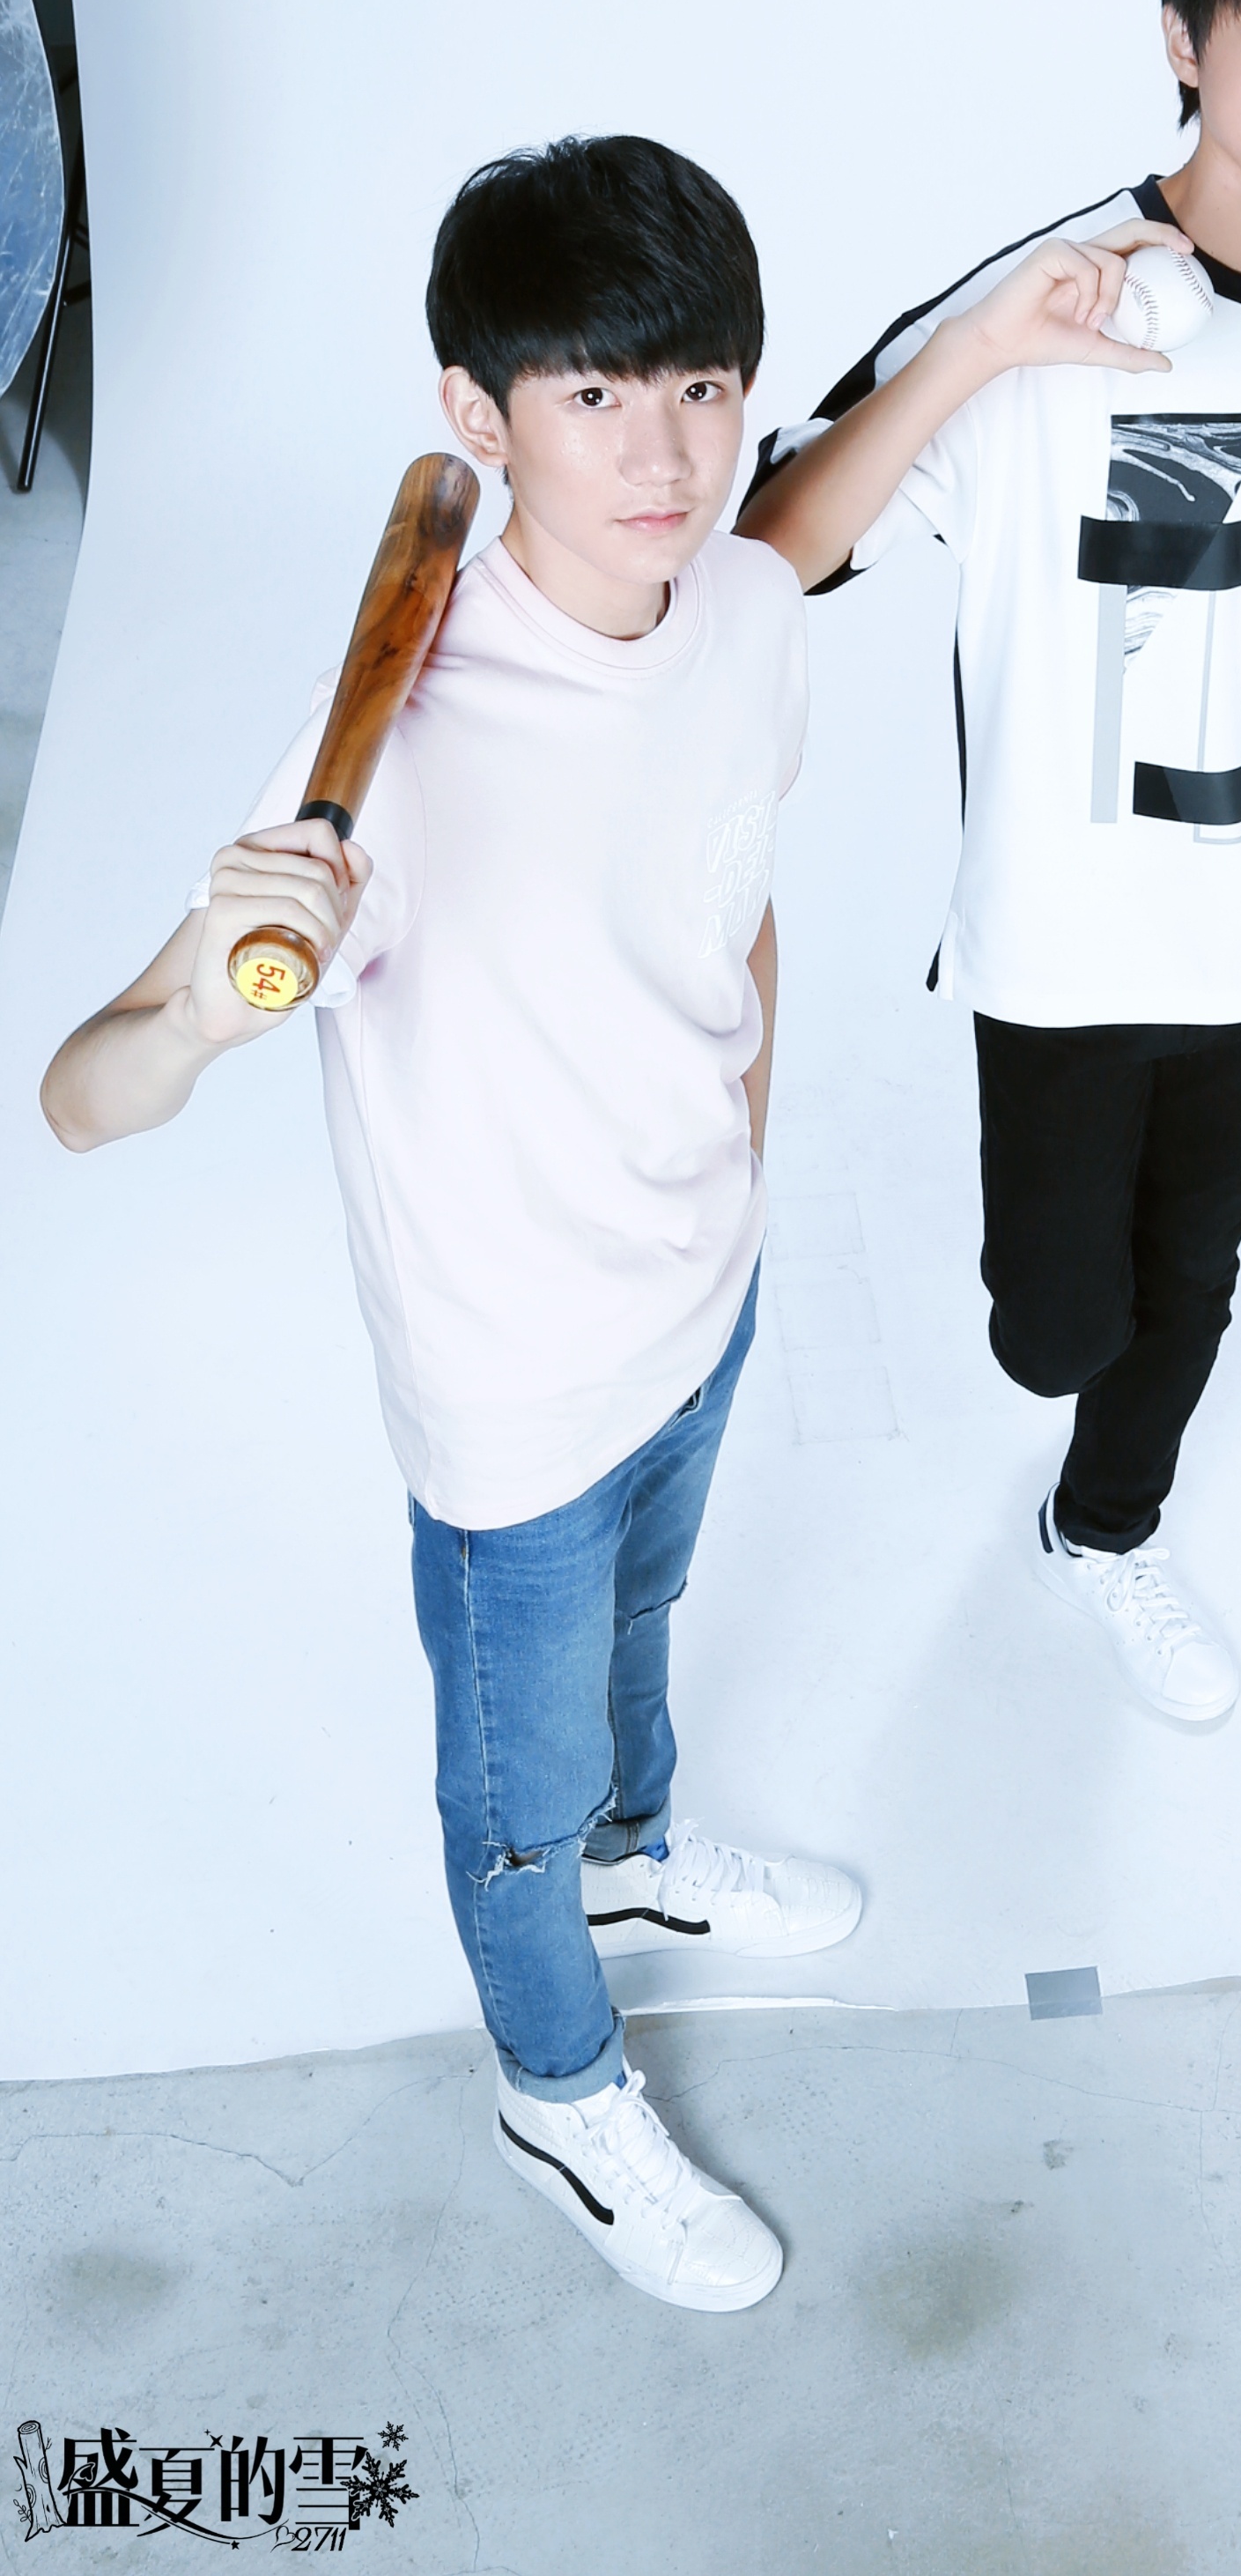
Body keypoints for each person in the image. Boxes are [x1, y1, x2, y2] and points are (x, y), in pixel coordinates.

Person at [39, 133, 1157, 2311]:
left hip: (697, 1292)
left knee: (649, 1633)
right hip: (511, 1391)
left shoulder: (735, 608)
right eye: (590, 394)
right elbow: (80, 1099)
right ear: (476, 414)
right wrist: (199, 1006)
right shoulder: (387, 766)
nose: (660, 453)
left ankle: (642, 1863)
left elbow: (745, 811)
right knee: (512, 1791)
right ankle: (556, 2080)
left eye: (699, 387)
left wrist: (986, 344)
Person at [741, 0, 1241, 1725]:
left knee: (1196, 1271)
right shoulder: (1051, 291)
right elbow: (780, 543)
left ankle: (1106, 1528)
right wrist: (984, 350)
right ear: (1182, 39)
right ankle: (1074, 1423)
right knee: (1055, 1325)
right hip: (1068, 939)